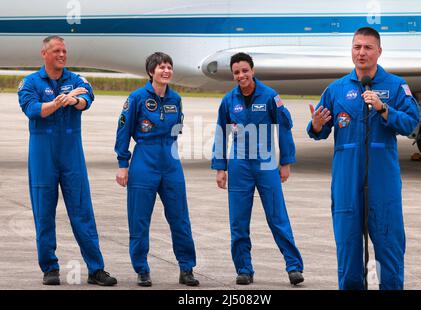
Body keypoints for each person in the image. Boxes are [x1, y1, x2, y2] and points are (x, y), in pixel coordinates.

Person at [307, 27, 420, 290]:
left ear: (379, 51)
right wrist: (315, 125)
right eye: (357, 47)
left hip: (384, 184)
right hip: (347, 184)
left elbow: (412, 122)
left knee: (389, 248)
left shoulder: (395, 86)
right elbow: (319, 131)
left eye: (368, 47)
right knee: (348, 250)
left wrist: (384, 109)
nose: (361, 53)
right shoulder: (336, 90)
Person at [17, 36, 117, 286]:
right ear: (44, 53)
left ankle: (96, 269)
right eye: (57, 51)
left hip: (72, 157)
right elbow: (32, 110)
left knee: (83, 213)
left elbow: (87, 98)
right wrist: (58, 102)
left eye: (64, 51)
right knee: (43, 214)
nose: (62, 55)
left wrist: (75, 100)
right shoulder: (29, 82)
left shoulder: (76, 80)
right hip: (43, 157)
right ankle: (49, 268)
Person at [211, 52, 304, 285]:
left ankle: (294, 267)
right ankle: (244, 268)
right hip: (239, 164)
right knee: (238, 221)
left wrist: (286, 162)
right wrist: (220, 167)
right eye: (236, 72)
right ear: (233, 75)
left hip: (266, 164)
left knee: (277, 217)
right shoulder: (228, 101)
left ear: (252, 70)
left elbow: (284, 128)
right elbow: (221, 134)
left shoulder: (271, 96)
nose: (241, 75)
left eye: (244, 70)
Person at [114, 52, 199, 287]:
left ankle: (186, 268)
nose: (166, 71)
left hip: (171, 162)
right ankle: (141, 269)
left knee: (180, 218)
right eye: (161, 67)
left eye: (169, 67)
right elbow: (123, 131)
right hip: (144, 160)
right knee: (139, 218)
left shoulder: (176, 99)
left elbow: (177, 128)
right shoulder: (137, 98)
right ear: (151, 71)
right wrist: (123, 164)